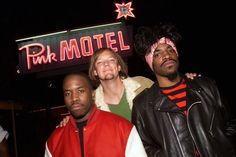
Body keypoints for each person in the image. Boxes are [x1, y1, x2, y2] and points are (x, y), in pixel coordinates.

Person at [132, 23, 236, 157]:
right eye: (158, 54)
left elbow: (230, 123)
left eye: (170, 50)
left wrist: (223, 148)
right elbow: (143, 147)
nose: (167, 56)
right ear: (151, 63)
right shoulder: (143, 105)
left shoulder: (206, 86)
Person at [45, 72, 147, 157]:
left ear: (93, 94)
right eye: (67, 93)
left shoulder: (122, 128)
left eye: (80, 91)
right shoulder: (54, 141)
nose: (74, 98)